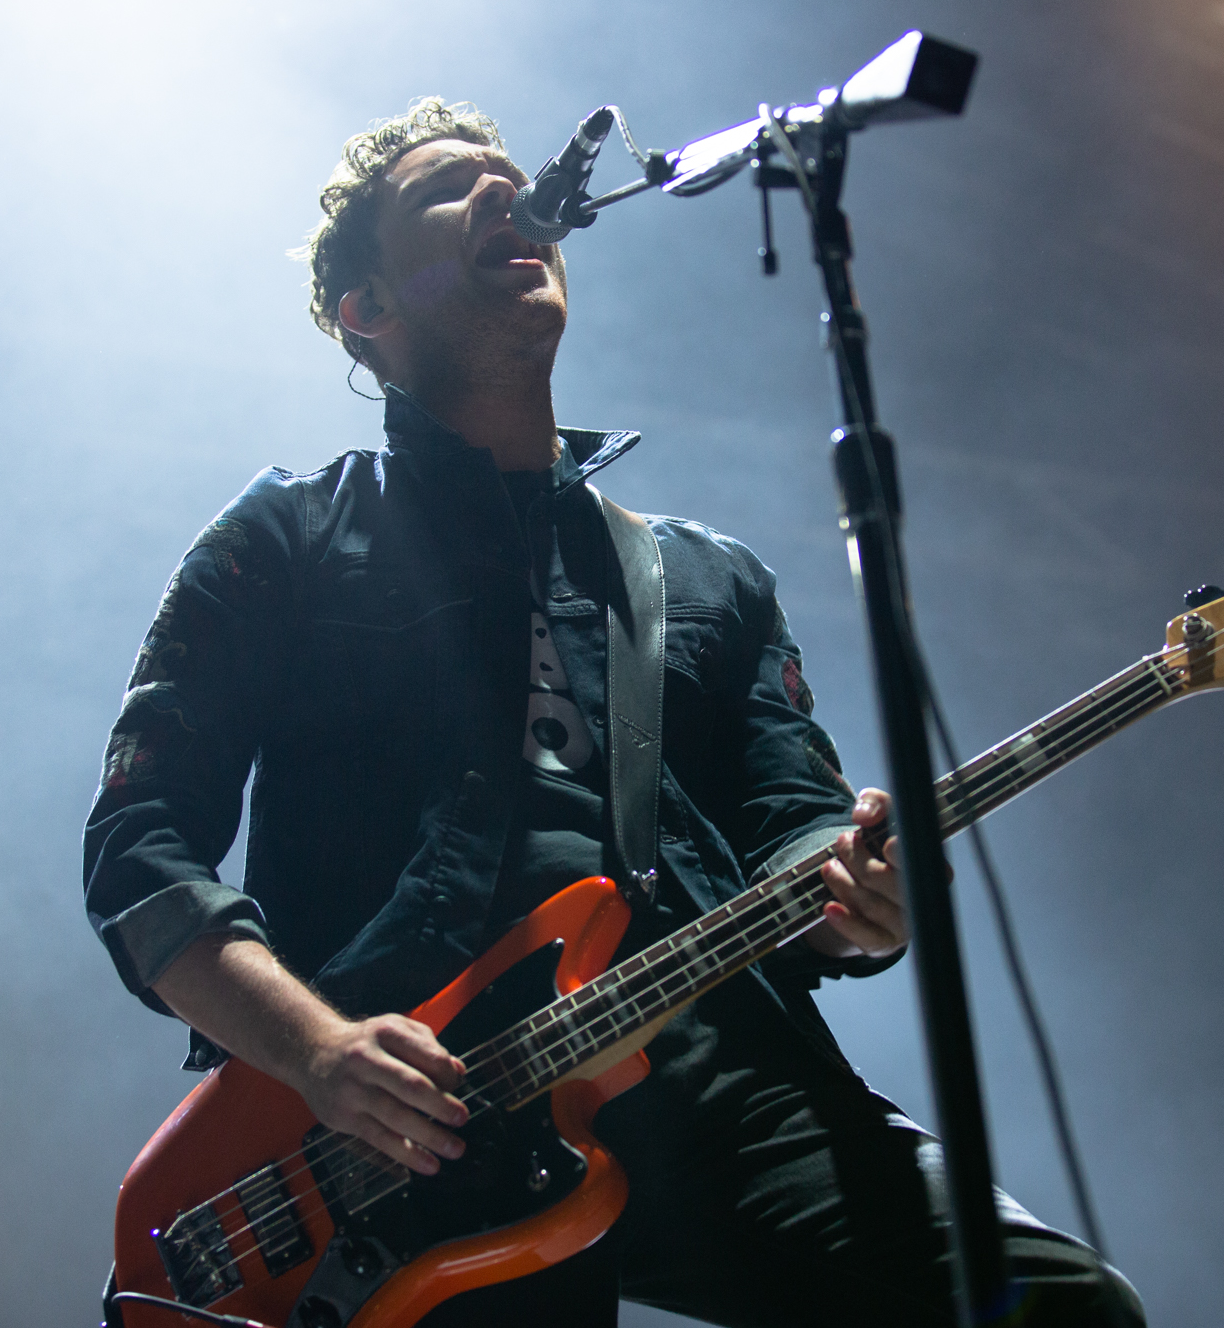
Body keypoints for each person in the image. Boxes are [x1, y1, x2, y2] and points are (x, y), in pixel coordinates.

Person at [83, 98, 1143, 1328]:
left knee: (1056, 1311)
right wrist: (317, 1051)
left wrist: (855, 892)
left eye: (504, 172)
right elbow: (138, 847)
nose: (504, 189)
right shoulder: (285, 538)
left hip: (704, 1059)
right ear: (362, 314)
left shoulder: (704, 577)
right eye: (446, 190)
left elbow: (792, 820)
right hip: (397, 1131)